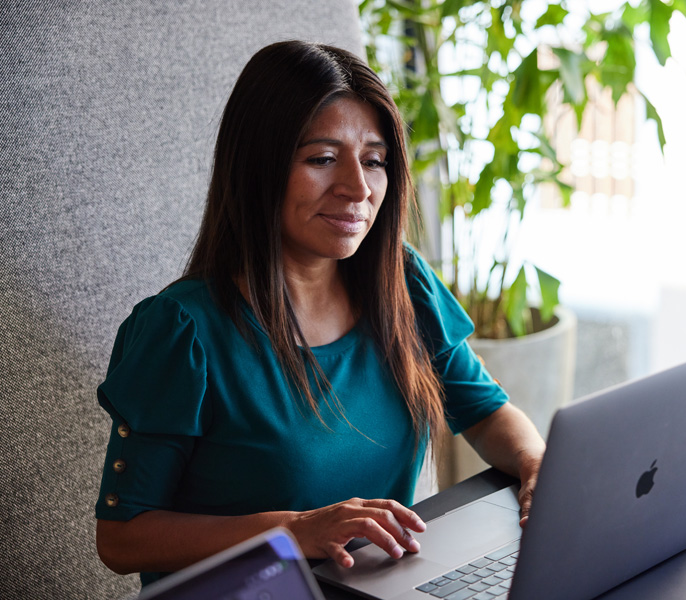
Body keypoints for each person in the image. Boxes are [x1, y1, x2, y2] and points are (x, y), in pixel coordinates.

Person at [94, 40, 545, 587]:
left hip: (380, 588)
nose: (358, 188)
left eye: (374, 161)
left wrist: (535, 464)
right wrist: (294, 531)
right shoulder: (182, 331)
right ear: (258, 169)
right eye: (322, 159)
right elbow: (122, 537)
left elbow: (485, 411)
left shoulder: (402, 284)